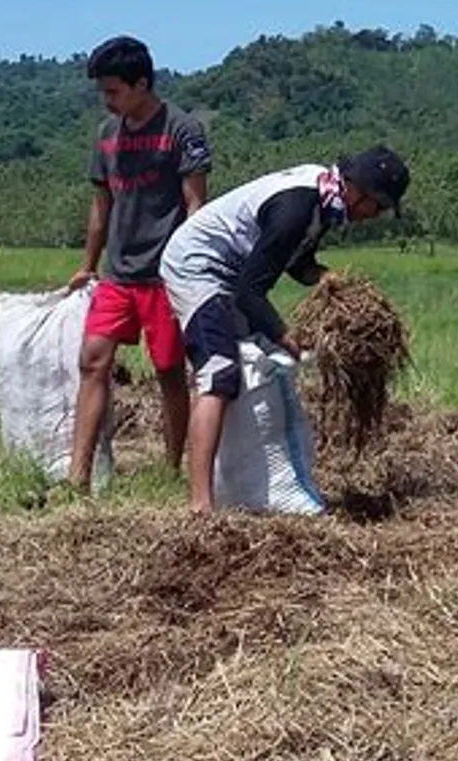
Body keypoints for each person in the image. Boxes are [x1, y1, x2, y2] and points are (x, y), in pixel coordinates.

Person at [160, 146, 410, 514]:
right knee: (219, 374)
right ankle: (200, 505)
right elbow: (250, 292)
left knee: (251, 367)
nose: (374, 215)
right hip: (197, 268)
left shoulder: (322, 200)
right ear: (357, 189)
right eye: (377, 204)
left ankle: (243, 486)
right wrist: (285, 335)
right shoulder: (297, 207)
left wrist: (322, 276)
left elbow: (292, 259)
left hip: (229, 274)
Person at [67, 37, 212, 491]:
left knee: (169, 369)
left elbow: (195, 208)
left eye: (113, 92)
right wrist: (88, 265)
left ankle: (172, 469)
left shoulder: (181, 130)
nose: (107, 101)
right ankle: (77, 477)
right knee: (93, 362)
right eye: (103, 93)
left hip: (165, 275)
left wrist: (194, 272)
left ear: (141, 83)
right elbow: (101, 204)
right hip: (118, 274)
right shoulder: (107, 136)